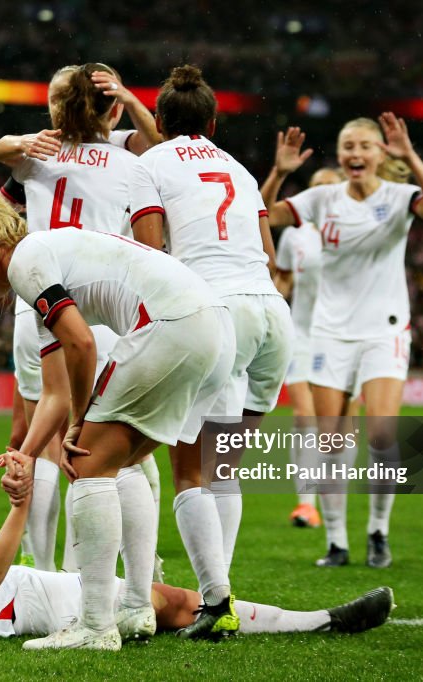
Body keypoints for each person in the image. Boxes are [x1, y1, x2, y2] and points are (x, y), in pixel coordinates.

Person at [0, 186, 235, 650]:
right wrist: (26, 455)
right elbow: (52, 393)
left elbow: (82, 344)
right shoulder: (42, 263)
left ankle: (96, 626)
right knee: (123, 463)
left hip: (172, 323)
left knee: (86, 463)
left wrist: (80, 422)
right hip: (213, 326)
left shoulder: (26, 263)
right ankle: (135, 608)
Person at [0, 453, 395, 644]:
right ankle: (324, 623)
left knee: (156, 593)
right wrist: (20, 503)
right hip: (26, 601)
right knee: (171, 603)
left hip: (25, 588)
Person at [129, 65, 293, 639]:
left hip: (217, 313)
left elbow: (151, 255)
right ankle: (218, 591)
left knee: (190, 472)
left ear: (159, 121)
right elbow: (270, 254)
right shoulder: (241, 171)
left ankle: (215, 599)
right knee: (223, 469)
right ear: (214, 122)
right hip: (272, 316)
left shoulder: (148, 164)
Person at [0, 63, 163, 575]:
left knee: (39, 444)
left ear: (54, 110)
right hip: (100, 311)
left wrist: (21, 139)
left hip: (35, 305)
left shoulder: (36, 158)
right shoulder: (132, 165)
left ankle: (42, 574)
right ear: (112, 108)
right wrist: (130, 97)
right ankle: (122, 572)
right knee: (109, 451)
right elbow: (158, 144)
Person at [264, 114, 423, 568]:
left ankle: (378, 532)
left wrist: (411, 155)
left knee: (383, 435)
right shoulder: (322, 198)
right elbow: (264, 214)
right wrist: (279, 173)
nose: (355, 153)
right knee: (332, 441)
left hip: (384, 330)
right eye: (348, 145)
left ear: (380, 153)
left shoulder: (400, 196)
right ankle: (336, 542)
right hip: (330, 333)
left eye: (365, 146)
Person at [269, 166, 346, 529]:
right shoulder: (295, 236)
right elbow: (283, 279)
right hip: (301, 333)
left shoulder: (354, 236)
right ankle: (306, 504)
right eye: (318, 188)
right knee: (304, 417)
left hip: (343, 336)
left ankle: (335, 505)